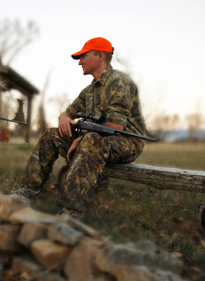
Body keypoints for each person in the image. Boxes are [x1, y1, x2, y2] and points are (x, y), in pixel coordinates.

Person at [14, 37, 148, 218]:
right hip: (96, 140)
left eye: (83, 57)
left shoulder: (119, 81)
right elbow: (69, 112)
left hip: (126, 142)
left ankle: (71, 210)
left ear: (100, 56)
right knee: (52, 134)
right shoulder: (90, 90)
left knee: (91, 141)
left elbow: (116, 125)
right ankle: (31, 189)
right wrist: (63, 118)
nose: (80, 62)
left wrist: (84, 138)